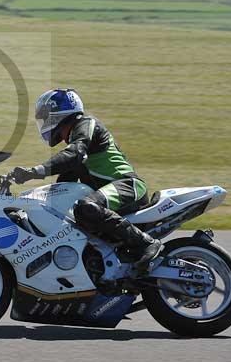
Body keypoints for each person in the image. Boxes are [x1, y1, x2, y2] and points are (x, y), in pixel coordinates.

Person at [9, 88, 162, 264]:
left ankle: (146, 243)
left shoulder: (86, 125)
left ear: (60, 113)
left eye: (46, 117)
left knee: (86, 207)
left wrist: (35, 171)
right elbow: (63, 185)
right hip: (109, 198)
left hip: (128, 186)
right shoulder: (76, 144)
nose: (43, 123)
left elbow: (74, 154)